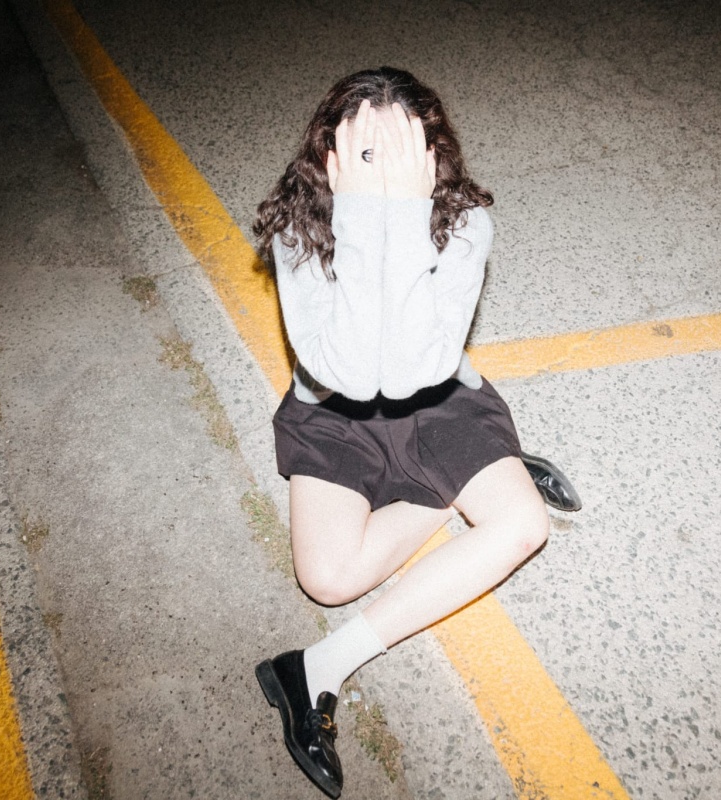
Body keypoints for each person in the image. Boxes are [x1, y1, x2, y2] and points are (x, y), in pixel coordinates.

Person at [251, 67, 572, 798]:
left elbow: (406, 376)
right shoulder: (301, 227)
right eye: (367, 154)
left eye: (401, 153)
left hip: (437, 398)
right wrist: (367, 219)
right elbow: (351, 376)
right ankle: (477, 480)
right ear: (331, 157)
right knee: (328, 579)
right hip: (333, 411)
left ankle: (319, 669)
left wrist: (400, 217)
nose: (385, 171)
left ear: (432, 158)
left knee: (522, 527)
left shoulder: (464, 224)